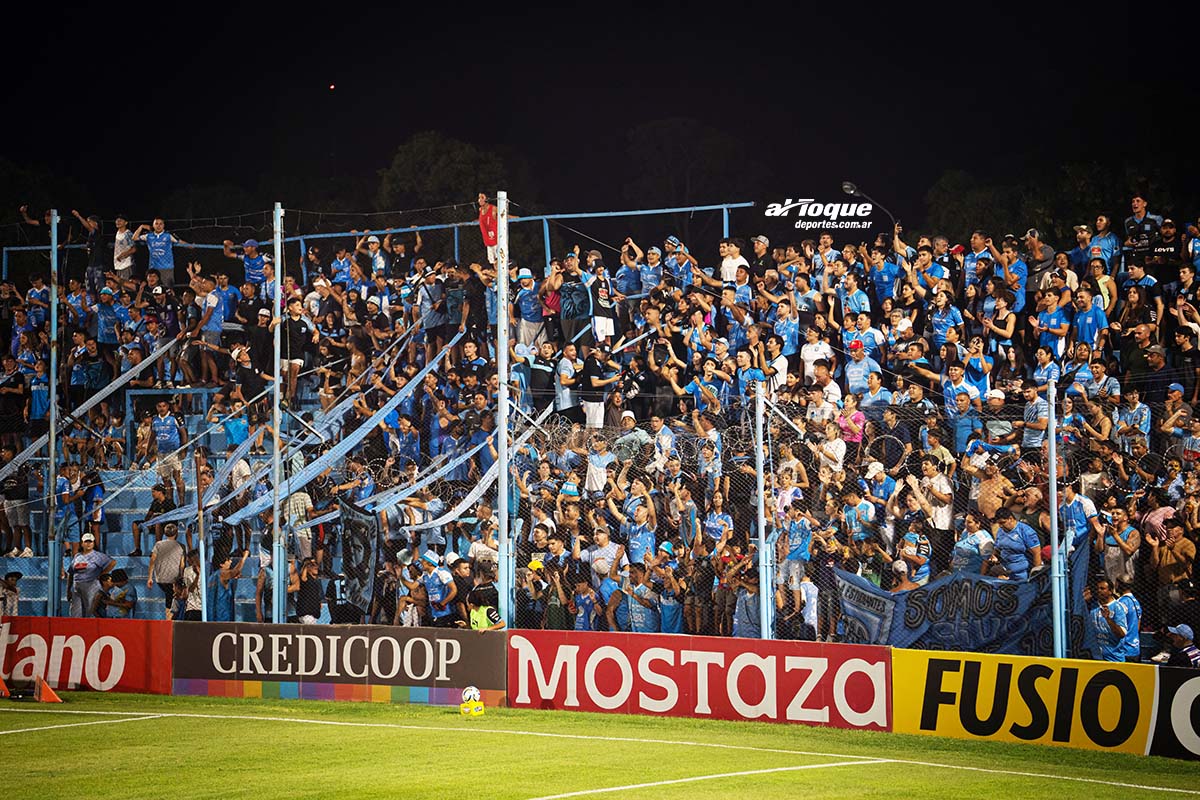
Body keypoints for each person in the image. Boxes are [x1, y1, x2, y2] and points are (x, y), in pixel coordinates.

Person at [67, 533, 115, 617]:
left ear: (93, 543)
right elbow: (71, 573)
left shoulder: (97, 555)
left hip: (91, 585)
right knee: (75, 611)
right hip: (77, 586)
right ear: (82, 543)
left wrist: (102, 574)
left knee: (90, 610)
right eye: (86, 542)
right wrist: (68, 590)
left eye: (90, 542)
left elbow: (112, 562)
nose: (88, 544)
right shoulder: (77, 556)